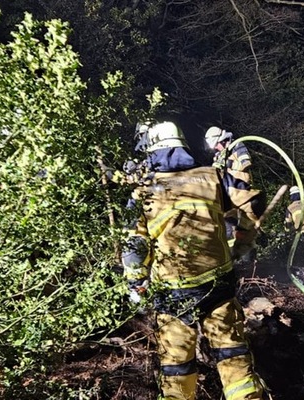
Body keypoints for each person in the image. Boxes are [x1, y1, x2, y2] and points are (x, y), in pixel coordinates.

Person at [122, 120, 266, 400]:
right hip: (218, 283)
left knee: (177, 366)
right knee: (232, 354)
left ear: (152, 150)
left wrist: (136, 283)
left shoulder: (143, 190)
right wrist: (243, 242)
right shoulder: (212, 176)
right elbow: (253, 203)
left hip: (172, 290)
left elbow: (135, 244)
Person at [204, 126, 256, 257]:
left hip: (240, 192)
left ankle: (248, 260)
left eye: (216, 145)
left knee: (244, 227)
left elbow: (246, 163)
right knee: (227, 225)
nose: (216, 148)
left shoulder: (237, 146)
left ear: (223, 140)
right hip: (227, 195)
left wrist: (228, 167)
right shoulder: (219, 155)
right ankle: (232, 258)